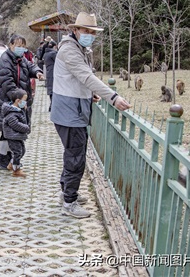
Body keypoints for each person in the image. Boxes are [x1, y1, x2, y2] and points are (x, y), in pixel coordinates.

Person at [51, 12, 131, 218]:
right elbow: (86, 76)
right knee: (75, 157)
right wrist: (112, 97)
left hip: (73, 109)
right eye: (86, 31)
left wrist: (91, 94)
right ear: (75, 30)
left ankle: (67, 193)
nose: (89, 35)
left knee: (72, 153)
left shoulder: (79, 49)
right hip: (69, 112)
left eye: (92, 32)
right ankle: (69, 202)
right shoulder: (70, 50)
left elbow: (78, 80)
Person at [0, 34, 44, 172]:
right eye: (18, 46)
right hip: (7, 102)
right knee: (8, 132)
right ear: (11, 45)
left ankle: (6, 158)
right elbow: (8, 84)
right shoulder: (5, 60)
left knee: (9, 132)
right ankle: (5, 159)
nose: (21, 49)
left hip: (16, 101)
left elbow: (30, 66)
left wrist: (38, 72)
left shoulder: (20, 59)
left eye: (23, 46)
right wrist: (21, 99)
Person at [2, 89, 30, 177]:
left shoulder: (18, 110)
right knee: (17, 152)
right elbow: (16, 125)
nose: (25, 103)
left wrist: (25, 111)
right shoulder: (11, 113)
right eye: (24, 100)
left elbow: (25, 120)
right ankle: (16, 170)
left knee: (22, 150)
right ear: (18, 101)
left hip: (17, 136)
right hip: (12, 136)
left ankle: (12, 164)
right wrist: (26, 128)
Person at [42, 38, 58, 111]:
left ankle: (51, 105)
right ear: (54, 46)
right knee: (54, 90)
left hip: (49, 73)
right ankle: (53, 105)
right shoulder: (54, 54)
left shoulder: (46, 53)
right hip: (54, 73)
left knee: (51, 90)